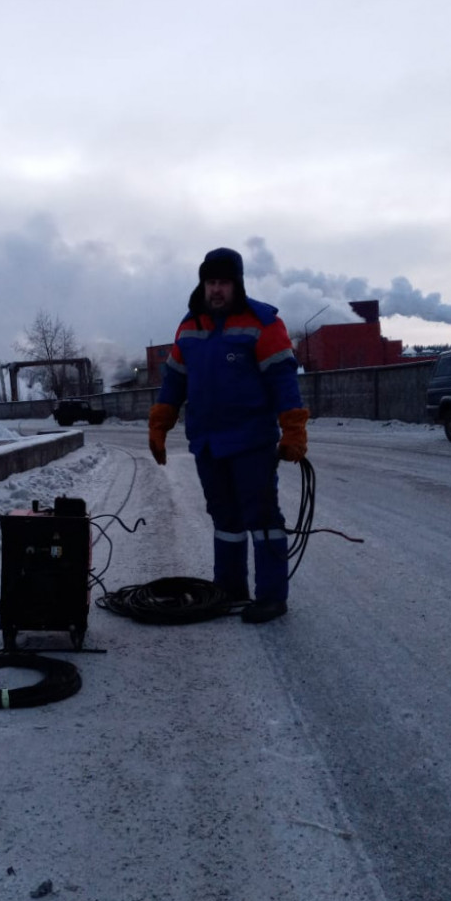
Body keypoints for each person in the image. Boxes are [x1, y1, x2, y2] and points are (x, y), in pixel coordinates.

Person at [148, 247, 309, 623]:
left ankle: (271, 596)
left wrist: (293, 428)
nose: (216, 290)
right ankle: (231, 588)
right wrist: (160, 422)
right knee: (224, 517)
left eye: (223, 282)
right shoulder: (190, 326)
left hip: (251, 440)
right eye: (210, 282)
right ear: (202, 284)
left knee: (262, 515)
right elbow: (174, 380)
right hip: (207, 441)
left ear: (237, 284)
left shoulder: (263, 323)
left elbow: (283, 381)